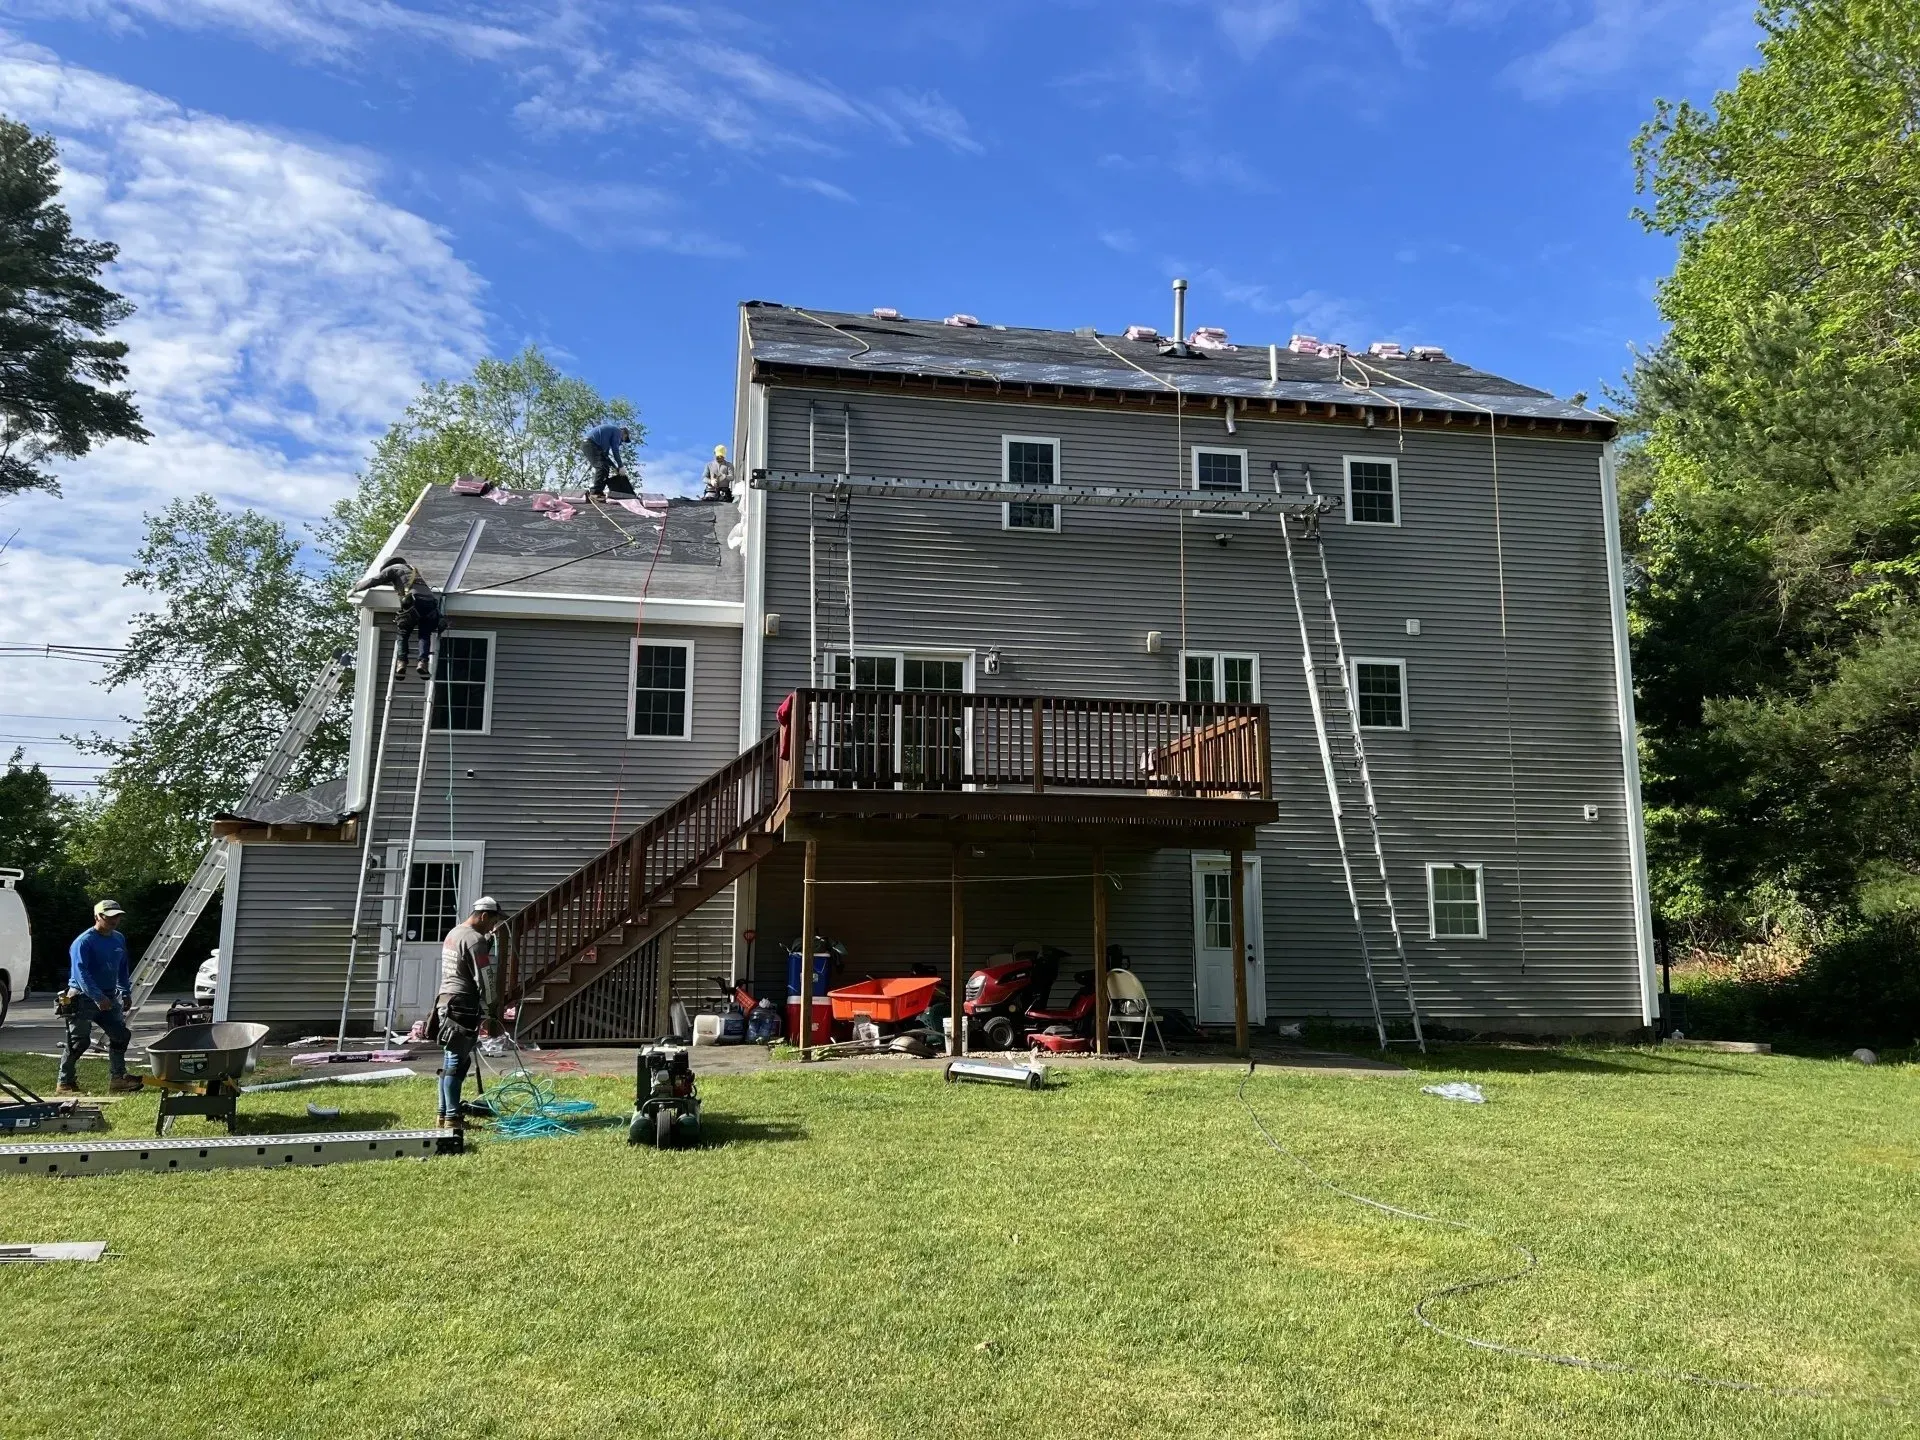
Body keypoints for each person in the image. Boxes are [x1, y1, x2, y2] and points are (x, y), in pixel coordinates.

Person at [58, 900, 142, 1096]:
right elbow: (81, 973)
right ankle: (65, 1083)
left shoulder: (118, 939)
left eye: (117, 916)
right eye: (110, 916)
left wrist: (126, 991)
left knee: (121, 1035)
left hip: (110, 996)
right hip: (82, 997)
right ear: (98, 916)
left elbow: (122, 968)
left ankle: (118, 1078)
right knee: (79, 1042)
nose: (115, 920)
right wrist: (97, 996)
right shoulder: (84, 941)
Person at [435, 896, 503, 1122]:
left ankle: (443, 1114)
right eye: (492, 921)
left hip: (445, 1002)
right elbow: (485, 977)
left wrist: (486, 942)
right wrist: (494, 1007)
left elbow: (464, 961)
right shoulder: (475, 940)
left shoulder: (454, 933)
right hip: (463, 1006)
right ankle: (453, 1118)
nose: (492, 927)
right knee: (457, 1063)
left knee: (450, 1061)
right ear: (483, 916)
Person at [351, 554, 442, 678]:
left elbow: (375, 580)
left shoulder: (393, 569)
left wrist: (356, 588)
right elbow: (402, 583)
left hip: (414, 603)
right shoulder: (412, 570)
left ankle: (401, 664)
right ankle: (422, 663)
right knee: (424, 635)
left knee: (403, 633)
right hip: (431, 605)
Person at [581, 423, 634, 498]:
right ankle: (595, 492)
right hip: (590, 444)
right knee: (602, 467)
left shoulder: (607, 439)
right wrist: (621, 466)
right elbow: (615, 450)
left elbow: (605, 457)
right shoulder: (617, 432)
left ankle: (599, 491)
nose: (621, 442)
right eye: (624, 439)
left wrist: (615, 468)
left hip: (590, 445)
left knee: (605, 467)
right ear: (624, 433)